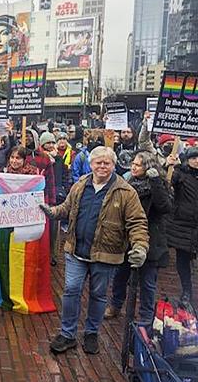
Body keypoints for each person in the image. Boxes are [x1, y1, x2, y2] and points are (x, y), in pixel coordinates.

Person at [41, 146, 149, 355]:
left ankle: (91, 332)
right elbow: (67, 208)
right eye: (97, 162)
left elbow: (137, 223)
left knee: (98, 295)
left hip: (106, 254)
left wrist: (140, 246)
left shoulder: (126, 192)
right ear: (90, 164)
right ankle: (68, 333)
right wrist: (52, 212)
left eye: (106, 162)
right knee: (71, 290)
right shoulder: (81, 184)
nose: (101, 166)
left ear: (113, 165)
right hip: (76, 251)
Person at [104, 151, 172, 324]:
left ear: (148, 167)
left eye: (138, 164)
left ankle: (146, 315)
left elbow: (164, 206)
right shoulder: (129, 183)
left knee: (147, 282)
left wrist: (156, 181)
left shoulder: (159, 184)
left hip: (151, 239)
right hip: (127, 238)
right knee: (120, 275)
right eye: (133, 163)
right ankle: (116, 305)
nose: (133, 167)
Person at [167, 146, 198, 304]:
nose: (197, 161)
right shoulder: (180, 174)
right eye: (193, 158)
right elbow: (168, 182)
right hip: (183, 226)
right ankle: (187, 291)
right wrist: (170, 166)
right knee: (183, 261)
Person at [40, 132, 71, 266]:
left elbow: (64, 175)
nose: (51, 145)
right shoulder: (40, 158)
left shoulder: (58, 159)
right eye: (48, 143)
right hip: (42, 195)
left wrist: (64, 188)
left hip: (55, 196)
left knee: (54, 229)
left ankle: (52, 254)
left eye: (53, 142)